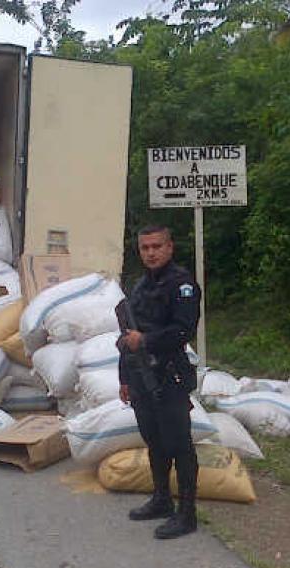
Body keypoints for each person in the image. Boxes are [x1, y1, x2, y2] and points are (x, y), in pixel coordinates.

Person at [117, 225, 201, 540]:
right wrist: (124, 377)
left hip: (170, 375)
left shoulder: (182, 286)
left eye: (156, 246)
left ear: (170, 247)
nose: (150, 253)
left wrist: (147, 340)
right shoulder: (139, 287)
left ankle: (187, 513)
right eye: (145, 248)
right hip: (140, 376)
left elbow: (183, 331)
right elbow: (126, 336)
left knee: (179, 444)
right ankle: (162, 499)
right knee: (154, 441)